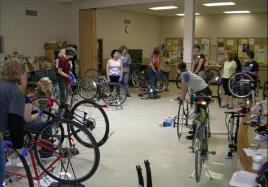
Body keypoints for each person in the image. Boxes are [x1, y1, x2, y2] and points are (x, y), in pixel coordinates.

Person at [0, 60, 26, 186]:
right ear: (19, 74)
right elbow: (15, 123)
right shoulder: (15, 92)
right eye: (24, 72)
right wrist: (19, 147)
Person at [178, 62, 212, 140]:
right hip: (204, 91)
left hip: (203, 92)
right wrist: (183, 98)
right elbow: (187, 88)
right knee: (198, 112)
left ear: (179, 69)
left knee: (198, 112)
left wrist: (181, 99)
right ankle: (196, 130)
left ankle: (197, 133)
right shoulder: (188, 72)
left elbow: (184, 88)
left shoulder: (184, 74)